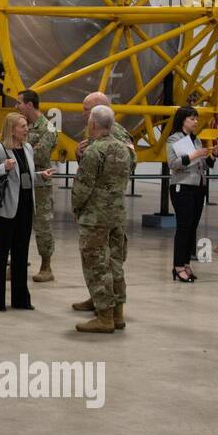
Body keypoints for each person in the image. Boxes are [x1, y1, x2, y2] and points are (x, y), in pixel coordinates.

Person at [0, 112, 55, 311]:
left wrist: (40, 176)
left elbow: (25, 177)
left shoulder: (28, 148)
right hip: (4, 210)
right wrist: (2, 167)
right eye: (22, 126)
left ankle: (21, 299)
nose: (27, 129)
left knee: (21, 254)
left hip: (25, 208)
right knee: (0, 255)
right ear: (12, 130)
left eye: (26, 125)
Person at [71, 91, 135, 312]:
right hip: (113, 208)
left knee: (105, 261)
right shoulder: (98, 136)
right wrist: (80, 153)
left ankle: (110, 308)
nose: (83, 114)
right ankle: (101, 301)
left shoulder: (115, 134)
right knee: (108, 260)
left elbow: (127, 163)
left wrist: (77, 206)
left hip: (101, 209)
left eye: (86, 110)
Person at [165, 106, 214, 283]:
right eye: (192, 118)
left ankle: (185, 263)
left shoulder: (197, 139)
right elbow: (173, 163)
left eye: (196, 118)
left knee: (192, 227)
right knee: (184, 226)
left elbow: (202, 165)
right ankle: (178, 265)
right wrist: (194, 155)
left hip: (198, 186)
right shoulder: (174, 138)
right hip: (182, 186)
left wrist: (211, 156)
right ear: (183, 120)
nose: (195, 121)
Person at [17, 90, 58, 282]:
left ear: (30, 105)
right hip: (20, 180)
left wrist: (20, 151)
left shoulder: (48, 128)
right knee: (17, 224)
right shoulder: (20, 125)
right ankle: (17, 265)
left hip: (40, 184)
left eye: (20, 103)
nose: (17, 106)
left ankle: (46, 267)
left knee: (42, 225)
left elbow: (40, 155)